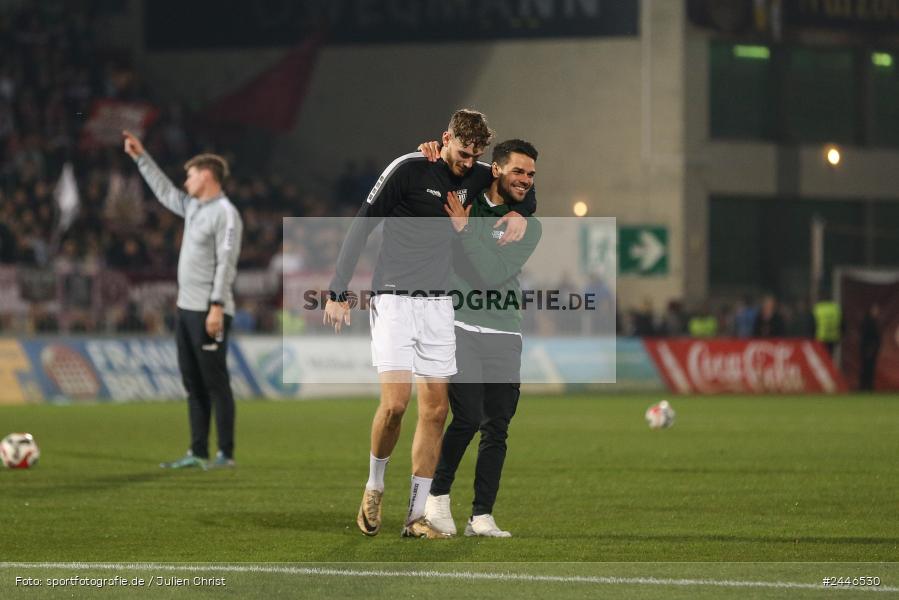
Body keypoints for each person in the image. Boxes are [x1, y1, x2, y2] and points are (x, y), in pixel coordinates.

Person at [323, 109, 534, 539]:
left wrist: (525, 211)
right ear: (445, 139)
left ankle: (415, 517)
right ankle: (375, 485)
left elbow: (517, 185)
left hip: (440, 305)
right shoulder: (408, 169)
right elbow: (362, 226)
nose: (466, 163)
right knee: (396, 405)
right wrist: (338, 292)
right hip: (395, 300)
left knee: (436, 411)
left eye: (474, 156)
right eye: (461, 153)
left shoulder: (475, 175)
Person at [420, 139, 541, 538]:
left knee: (498, 427)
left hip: (505, 331)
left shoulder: (529, 225)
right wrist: (435, 149)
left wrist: (466, 229)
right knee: (468, 417)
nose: (525, 180)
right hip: (459, 326)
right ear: (496, 169)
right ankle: (436, 499)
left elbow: (491, 273)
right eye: (518, 172)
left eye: (530, 175)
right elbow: (445, 168)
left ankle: (482, 515)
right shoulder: (463, 198)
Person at [123, 130, 243, 470]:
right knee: (193, 383)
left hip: (210, 309)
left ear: (206, 176)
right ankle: (198, 451)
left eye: (190, 175)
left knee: (215, 381)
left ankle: (226, 454)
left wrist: (217, 305)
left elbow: (227, 261)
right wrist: (140, 157)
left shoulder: (226, 213)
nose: (185, 181)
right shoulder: (193, 207)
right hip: (186, 309)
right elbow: (164, 192)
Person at [859, 304, 881, 391]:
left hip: (870, 348)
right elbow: (869, 336)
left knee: (868, 368)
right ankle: (865, 386)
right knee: (867, 368)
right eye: (876, 310)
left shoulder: (872, 321)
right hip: (868, 348)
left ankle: (866, 385)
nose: (877, 313)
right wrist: (870, 348)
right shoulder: (869, 322)